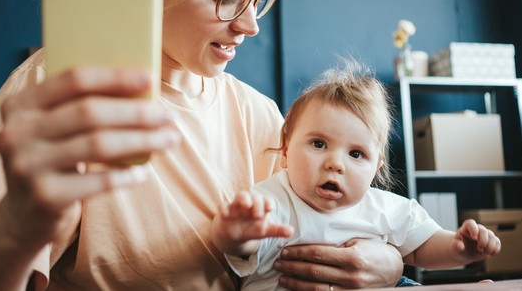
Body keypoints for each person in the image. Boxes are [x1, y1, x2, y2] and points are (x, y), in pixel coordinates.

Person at [0, 0, 406, 290]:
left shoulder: (258, 115)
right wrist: (13, 229)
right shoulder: (59, 97)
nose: (250, 25)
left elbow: (322, 237)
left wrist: (391, 264)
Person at [211, 60, 502, 290]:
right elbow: (242, 247)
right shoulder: (270, 200)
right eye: (319, 144)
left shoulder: (384, 207)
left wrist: (460, 249)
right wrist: (236, 234)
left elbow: (423, 246)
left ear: (375, 168)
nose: (335, 163)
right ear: (285, 151)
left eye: (356, 154)